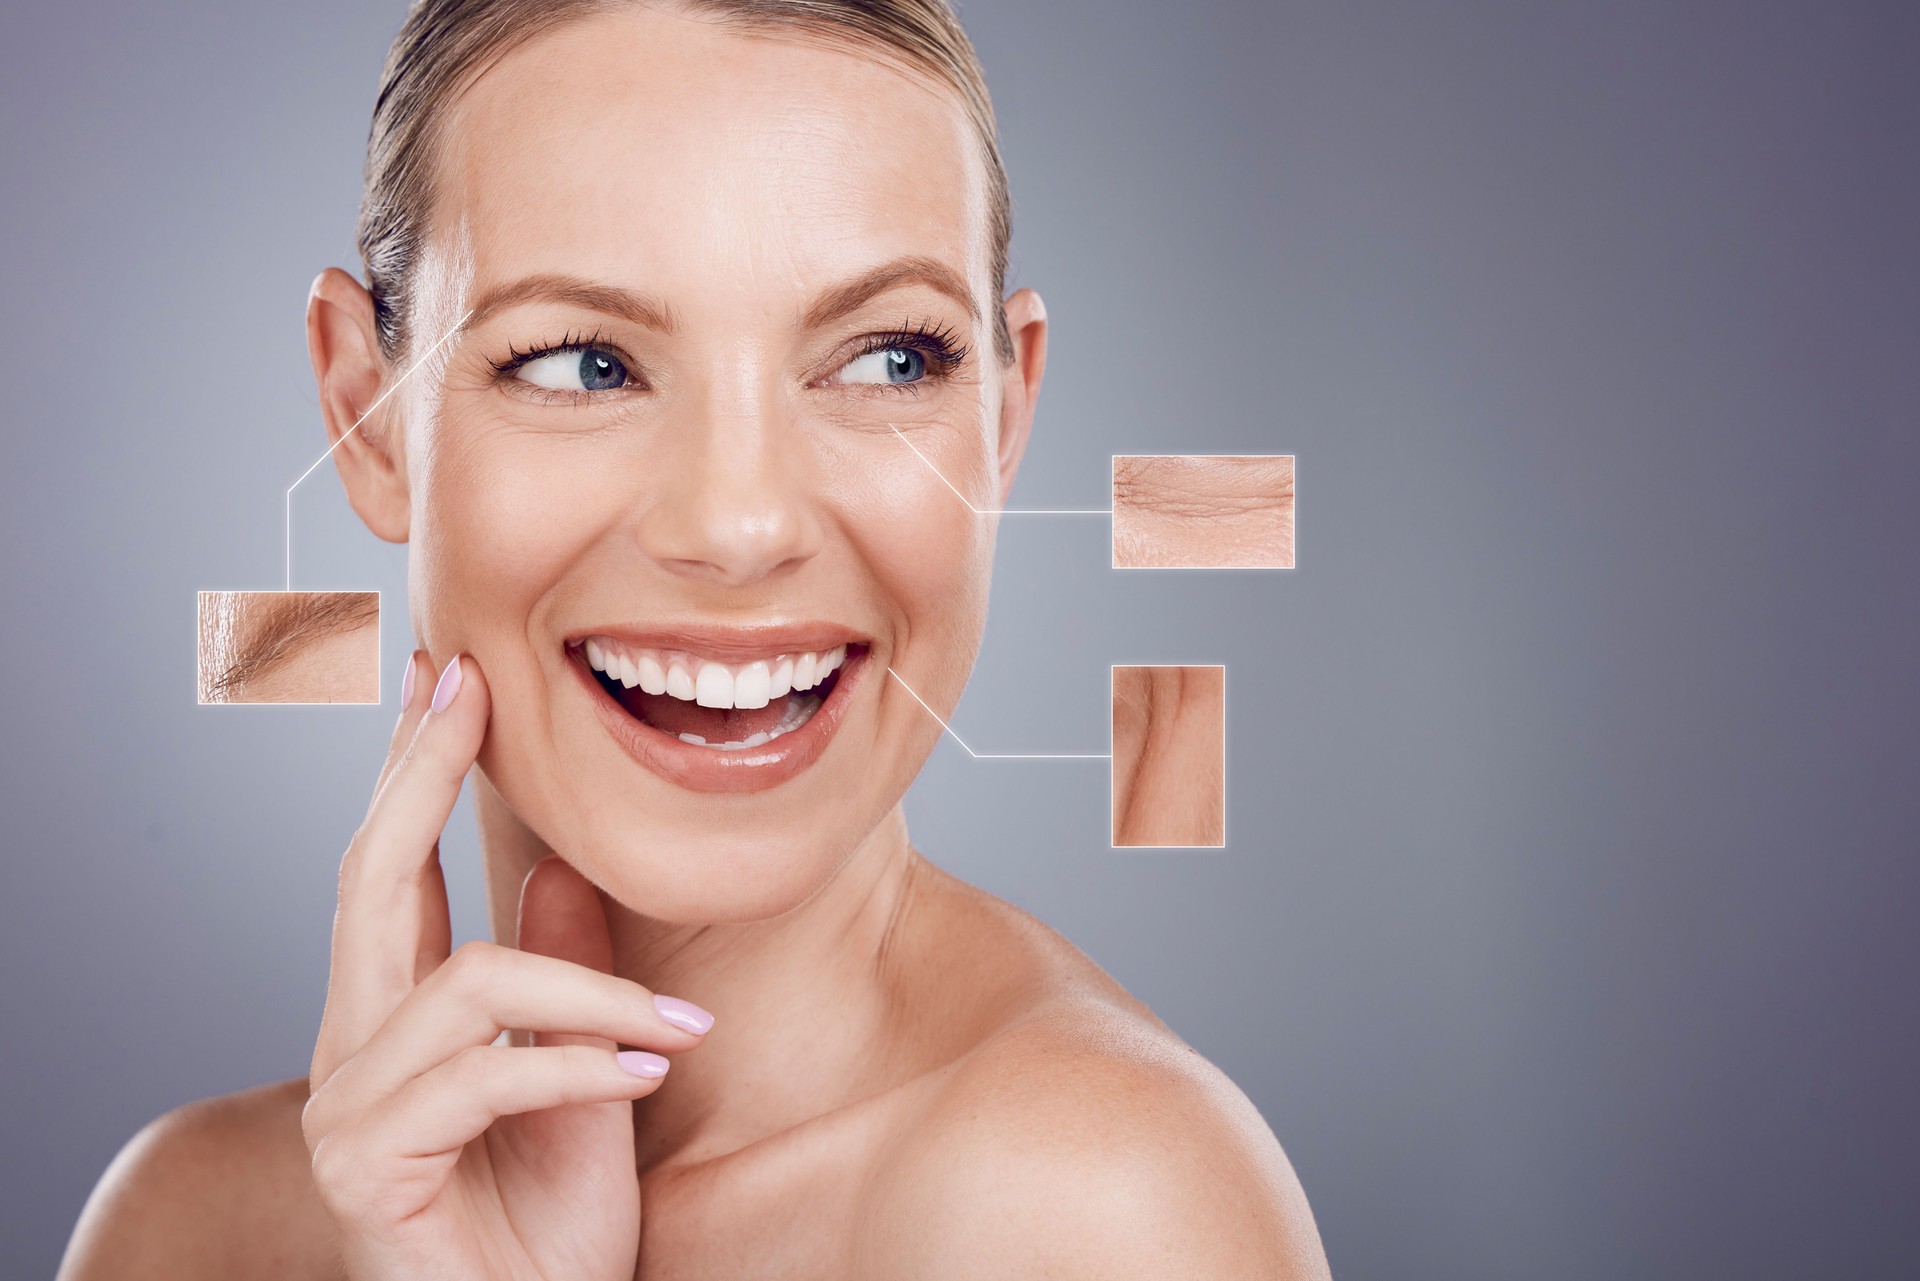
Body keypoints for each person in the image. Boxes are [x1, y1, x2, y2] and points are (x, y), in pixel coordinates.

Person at [60, 2, 1331, 1275]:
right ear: (365, 418)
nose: (740, 525)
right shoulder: (194, 1222)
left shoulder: (1095, 1207)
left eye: (888, 359)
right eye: (582, 366)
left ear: (1003, 421)